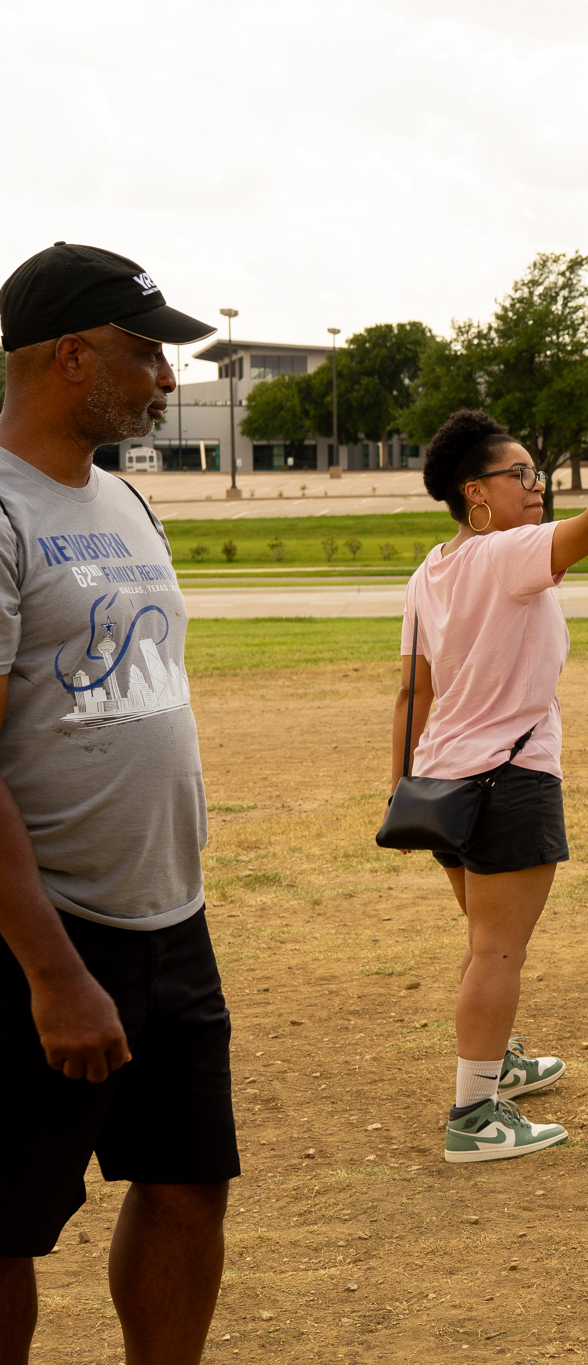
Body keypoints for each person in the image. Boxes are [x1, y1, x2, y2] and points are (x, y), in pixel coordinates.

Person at [0, 243, 232, 1364]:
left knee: (187, 1184)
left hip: (167, 922)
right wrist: (52, 975)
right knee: (3, 1224)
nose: (166, 377)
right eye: (147, 352)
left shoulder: (127, 498)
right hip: (39, 935)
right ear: (72, 357)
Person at [396, 392, 588, 1164]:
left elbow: (413, 691)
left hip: (442, 784)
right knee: (497, 952)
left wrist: (402, 786)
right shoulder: (506, 554)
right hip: (506, 779)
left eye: (537, 472)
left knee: (485, 941)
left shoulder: (431, 570)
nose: (537, 486)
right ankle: (474, 1115)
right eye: (522, 474)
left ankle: (493, 1061)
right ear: (476, 491)